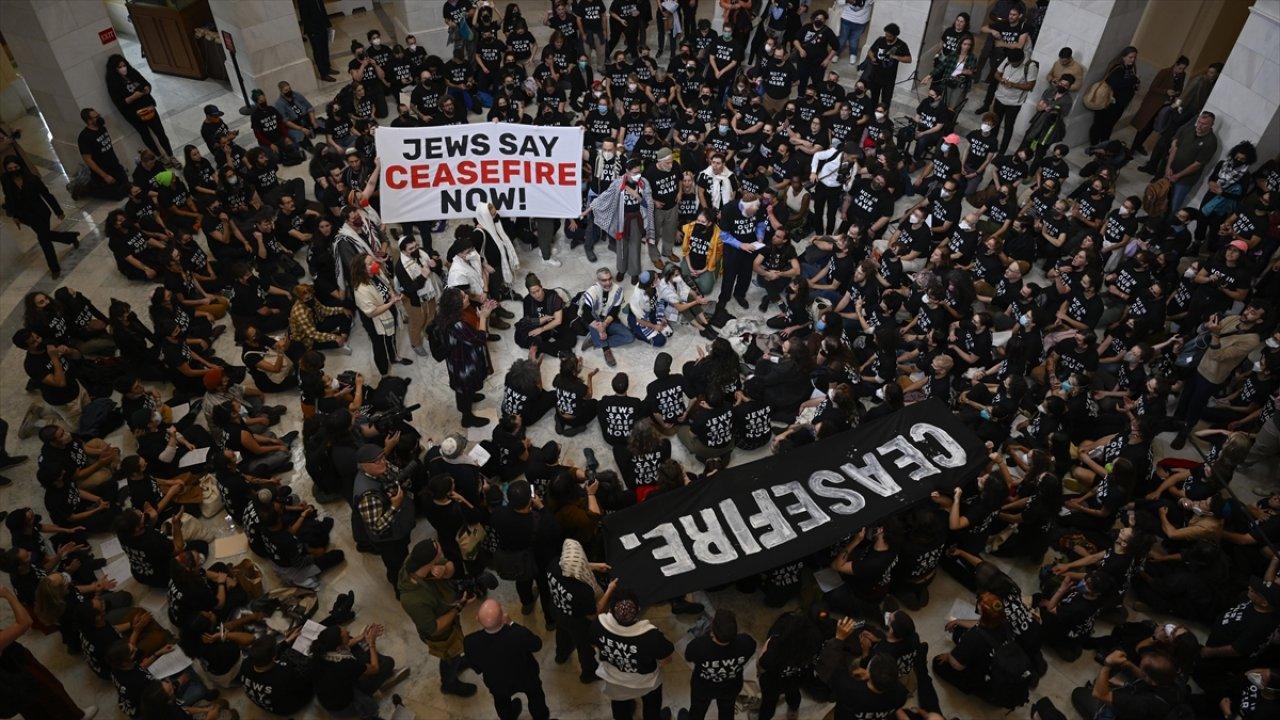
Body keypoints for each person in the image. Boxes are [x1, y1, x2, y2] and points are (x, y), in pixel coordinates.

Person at [397, 538, 478, 697]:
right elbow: (433, 628)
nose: (441, 554)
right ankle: (449, 684)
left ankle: (457, 661)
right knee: (448, 657)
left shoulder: (418, 561)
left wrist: (445, 570)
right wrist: (459, 607)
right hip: (441, 634)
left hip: (448, 614)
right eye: (439, 553)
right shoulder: (412, 599)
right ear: (429, 562)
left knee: (455, 653)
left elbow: (450, 565)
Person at [592, 590, 675, 720]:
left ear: (612, 610)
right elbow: (666, 659)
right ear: (638, 610)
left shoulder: (598, 625)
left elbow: (594, 645)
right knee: (652, 706)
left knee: (620, 705)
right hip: (646, 682)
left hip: (615, 679)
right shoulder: (651, 636)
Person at [464, 599, 551, 720]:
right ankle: (541, 716)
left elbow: (476, 667)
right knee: (535, 695)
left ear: (477, 619)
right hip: (525, 676)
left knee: (501, 702)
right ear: (503, 618)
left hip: (497, 682)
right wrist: (511, 623)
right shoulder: (518, 634)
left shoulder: (470, 642)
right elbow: (537, 645)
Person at [2, 155, 80, 278]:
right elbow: (9, 198)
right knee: (46, 235)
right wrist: (14, 215)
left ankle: (54, 268)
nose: (13, 170)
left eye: (15, 167)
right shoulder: (5, 180)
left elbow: (46, 194)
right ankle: (70, 237)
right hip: (26, 217)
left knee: (44, 240)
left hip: (41, 213)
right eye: (10, 168)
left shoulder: (32, 179)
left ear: (20, 166)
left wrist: (58, 211)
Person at [351, 443, 415, 588]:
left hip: (400, 525)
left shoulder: (381, 468)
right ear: (363, 466)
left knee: (403, 553)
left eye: (383, 457)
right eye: (377, 461)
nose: (383, 462)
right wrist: (394, 506)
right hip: (389, 538)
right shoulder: (367, 494)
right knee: (395, 564)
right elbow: (376, 527)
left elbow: (397, 473)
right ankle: (400, 587)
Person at [591, 156, 655, 284]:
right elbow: (606, 196)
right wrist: (592, 205)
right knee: (621, 245)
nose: (638, 175)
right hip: (621, 219)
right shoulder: (618, 183)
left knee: (635, 246)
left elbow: (649, 204)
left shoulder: (644, 183)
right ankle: (621, 269)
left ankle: (634, 272)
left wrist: (637, 195)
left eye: (639, 172)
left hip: (636, 218)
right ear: (627, 171)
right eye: (635, 173)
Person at [683, 609, 757, 720]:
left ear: (712, 630)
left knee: (697, 711)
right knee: (727, 712)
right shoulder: (746, 642)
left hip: (703, 687)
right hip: (731, 686)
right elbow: (751, 649)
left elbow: (688, 657)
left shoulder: (699, 646)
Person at [438, 286, 495, 427]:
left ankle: (470, 396)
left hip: (459, 357)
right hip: (463, 364)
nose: (467, 297)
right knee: (464, 388)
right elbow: (480, 339)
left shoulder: (448, 314)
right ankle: (467, 417)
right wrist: (483, 318)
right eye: (464, 297)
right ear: (457, 305)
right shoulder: (457, 324)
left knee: (465, 389)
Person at [104, 54, 175, 164]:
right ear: (114, 69)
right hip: (133, 114)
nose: (123, 68)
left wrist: (147, 89)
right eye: (120, 67)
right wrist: (133, 97)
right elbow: (119, 102)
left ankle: (171, 155)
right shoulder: (113, 83)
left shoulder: (132, 72)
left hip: (147, 107)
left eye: (124, 65)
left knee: (160, 132)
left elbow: (146, 83)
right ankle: (160, 156)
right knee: (146, 135)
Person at [1164, 111, 1219, 217]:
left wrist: (1178, 176)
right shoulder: (1189, 129)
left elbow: (1197, 164)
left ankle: (1167, 224)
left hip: (1185, 179)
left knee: (1174, 205)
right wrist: (1168, 167)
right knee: (1162, 197)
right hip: (1171, 171)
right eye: (1199, 122)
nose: (1199, 125)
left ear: (1211, 125)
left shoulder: (1211, 142)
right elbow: (1175, 146)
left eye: (1204, 124)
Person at [579, 267, 634, 367]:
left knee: (629, 337)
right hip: (593, 320)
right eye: (604, 280)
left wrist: (605, 324)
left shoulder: (618, 290)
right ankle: (605, 349)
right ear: (598, 280)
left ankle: (596, 341)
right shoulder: (592, 291)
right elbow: (586, 314)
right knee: (596, 321)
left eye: (609, 279)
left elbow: (614, 311)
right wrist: (600, 328)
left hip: (608, 320)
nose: (608, 282)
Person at [1089, 46, 1141, 145]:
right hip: (1110, 103)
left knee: (1109, 125)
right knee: (1100, 124)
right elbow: (1115, 84)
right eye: (1130, 57)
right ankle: (1095, 145)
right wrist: (1133, 80)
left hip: (1120, 104)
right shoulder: (1118, 68)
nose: (1133, 60)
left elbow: (1128, 85)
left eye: (1134, 58)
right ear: (1123, 57)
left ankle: (1104, 144)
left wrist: (1135, 85)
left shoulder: (1130, 69)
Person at [297, 0, 337, 80]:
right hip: (313, 30)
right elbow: (304, 15)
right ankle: (323, 73)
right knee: (318, 51)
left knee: (325, 48)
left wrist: (328, 24)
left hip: (323, 25)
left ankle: (327, 67)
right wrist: (310, 30)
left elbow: (322, 9)